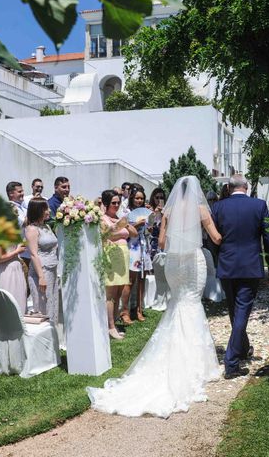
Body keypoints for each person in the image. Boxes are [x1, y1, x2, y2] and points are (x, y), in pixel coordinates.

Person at [87, 176, 222, 417]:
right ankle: (195, 363)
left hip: (172, 263)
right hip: (192, 261)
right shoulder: (200, 209)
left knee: (178, 302)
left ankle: (178, 355)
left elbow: (161, 241)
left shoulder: (169, 210)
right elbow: (216, 237)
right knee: (191, 302)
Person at [213, 174, 269, 379]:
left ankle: (242, 348)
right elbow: (268, 236)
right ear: (246, 187)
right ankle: (231, 363)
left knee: (234, 309)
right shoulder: (259, 206)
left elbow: (213, 239)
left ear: (230, 188)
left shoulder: (218, 207)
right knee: (242, 311)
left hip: (227, 265)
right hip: (250, 265)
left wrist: (217, 261)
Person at [100, 190, 136, 339]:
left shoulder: (119, 218)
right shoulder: (102, 218)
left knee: (118, 292)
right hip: (111, 255)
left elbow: (134, 233)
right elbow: (105, 235)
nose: (116, 205)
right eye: (113, 202)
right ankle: (110, 326)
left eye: (118, 202)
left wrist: (123, 225)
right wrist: (118, 228)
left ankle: (113, 321)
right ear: (106, 203)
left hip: (123, 256)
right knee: (110, 293)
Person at [120, 186, 152, 324]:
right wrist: (138, 224)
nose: (140, 200)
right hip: (132, 247)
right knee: (130, 280)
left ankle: (139, 309)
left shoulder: (146, 212)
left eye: (142, 198)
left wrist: (148, 228)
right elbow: (125, 230)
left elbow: (148, 230)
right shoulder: (126, 212)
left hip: (144, 246)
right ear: (132, 198)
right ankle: (125, 311)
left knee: (142, 279)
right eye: (137, 198)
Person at [25, 198, 59, 323]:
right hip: (42, 270)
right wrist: (41, 277)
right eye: (45, 209)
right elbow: (33, 254)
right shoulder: (32, 229)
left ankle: (54, 335)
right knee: (43, 304)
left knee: (52, 303)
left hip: (52, 269)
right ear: (38, 210)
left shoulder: (46, 226)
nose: (49, 211)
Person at [0, 242, 28, 315]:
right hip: (6, 271)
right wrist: (17, 251)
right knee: (8, 299)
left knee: (18, 299)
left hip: (16, 270)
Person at [148, 187, 166, 259]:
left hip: (163, 242)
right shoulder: (149, 210)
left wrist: (163, 213)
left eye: (161, 198)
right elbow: (149, 226)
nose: (159, 200)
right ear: (153, 198)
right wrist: (154, 213)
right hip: (152, 242)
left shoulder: (167, 211)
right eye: (157, 197)